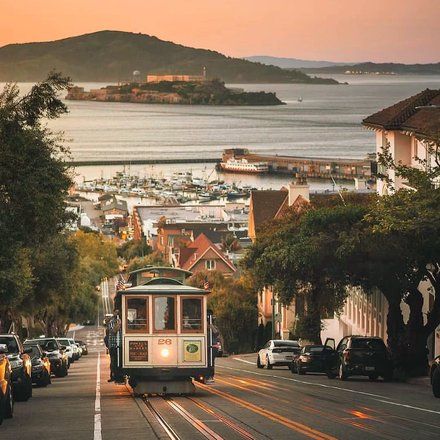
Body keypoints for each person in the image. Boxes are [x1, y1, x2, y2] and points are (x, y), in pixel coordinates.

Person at [107, 309, 122, 382]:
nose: (117, 313)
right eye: (116, 312)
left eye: (118, 312)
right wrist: (118, 324)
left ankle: (120, 375)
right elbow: (114, 331)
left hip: (121, 345)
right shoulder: (111, 322)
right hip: (113, 345)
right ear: (113, 313)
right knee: (114, 361)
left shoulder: (122, 320)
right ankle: (113, 375)